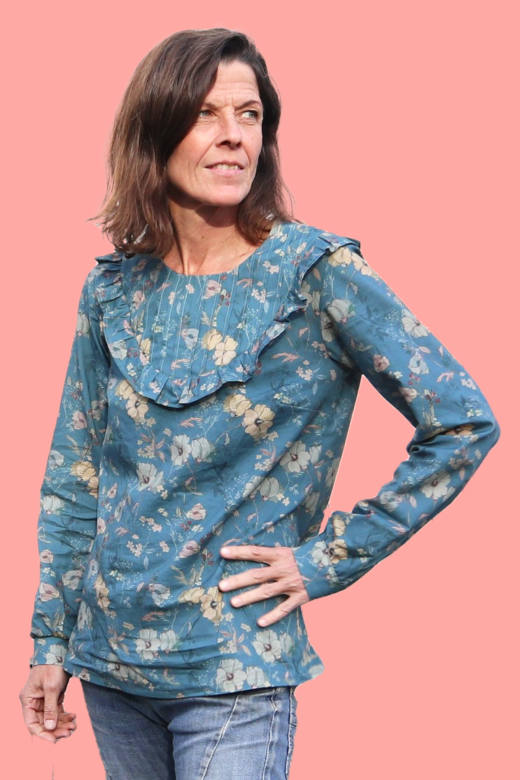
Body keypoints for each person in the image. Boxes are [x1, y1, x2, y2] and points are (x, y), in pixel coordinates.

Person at [19, 27, 500, 780]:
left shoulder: (316, 273)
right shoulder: (113, 288)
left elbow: (463, 422)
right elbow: (77, 474)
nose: (234, 136)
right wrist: (51, 641)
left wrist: (328, 559)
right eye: (206, 114)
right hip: (110, 665)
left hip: (235, 669)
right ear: (155, 133)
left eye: (250, 115)